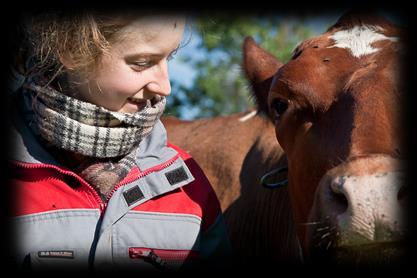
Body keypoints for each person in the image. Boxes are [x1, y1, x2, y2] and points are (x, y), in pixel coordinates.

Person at [7, 10, 232, 271]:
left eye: (168, 59)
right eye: (142, 63)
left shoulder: (185, 180)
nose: (165, 86)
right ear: (71, 48)